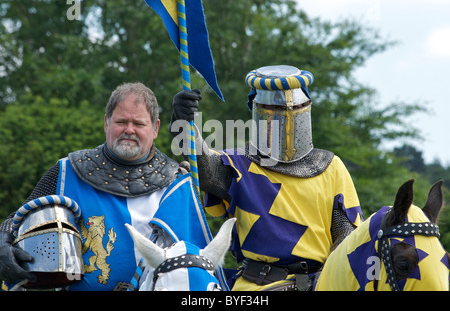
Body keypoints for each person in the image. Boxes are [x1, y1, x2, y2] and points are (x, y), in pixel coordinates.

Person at [169, 65, 365, 291]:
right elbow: (203, 168)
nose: (286, 118)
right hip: (255, 287)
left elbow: (347, 237)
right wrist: (184, 124)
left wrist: (325, 282)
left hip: (318, 285)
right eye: (273, 109)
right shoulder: (238, 163)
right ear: (257, 110)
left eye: (296, 108)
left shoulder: (331, 167)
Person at [0, 82, 183, 291]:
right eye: (121, 121)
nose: (129, 130)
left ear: (155, 128)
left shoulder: (176, 182)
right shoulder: (67, 171)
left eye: (139, 124)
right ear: (106, 123)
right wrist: (2, 240)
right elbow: (19, 219)